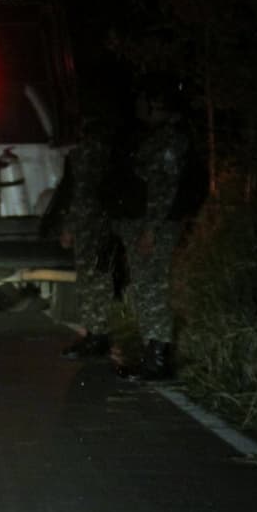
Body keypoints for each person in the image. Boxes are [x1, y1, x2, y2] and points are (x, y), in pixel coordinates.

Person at [111, 86, 190, 380]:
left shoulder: (169, 140)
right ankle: (152, 354)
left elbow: (162, 189)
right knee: (145, 287)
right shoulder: (153, 138)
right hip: (145, 225)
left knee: (153, 288)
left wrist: (151, 229)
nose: (140, 109)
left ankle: (158, 359)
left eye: (145, 103)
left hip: (156, 226)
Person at [59, 121, 120, 361]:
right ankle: (98, 333)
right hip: (104, 223)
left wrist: (70, 226)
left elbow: (81, 195)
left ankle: (97, 334)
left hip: (90, 225)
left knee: (91, 280)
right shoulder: (109, 151)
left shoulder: (85, 154)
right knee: (98, 280)